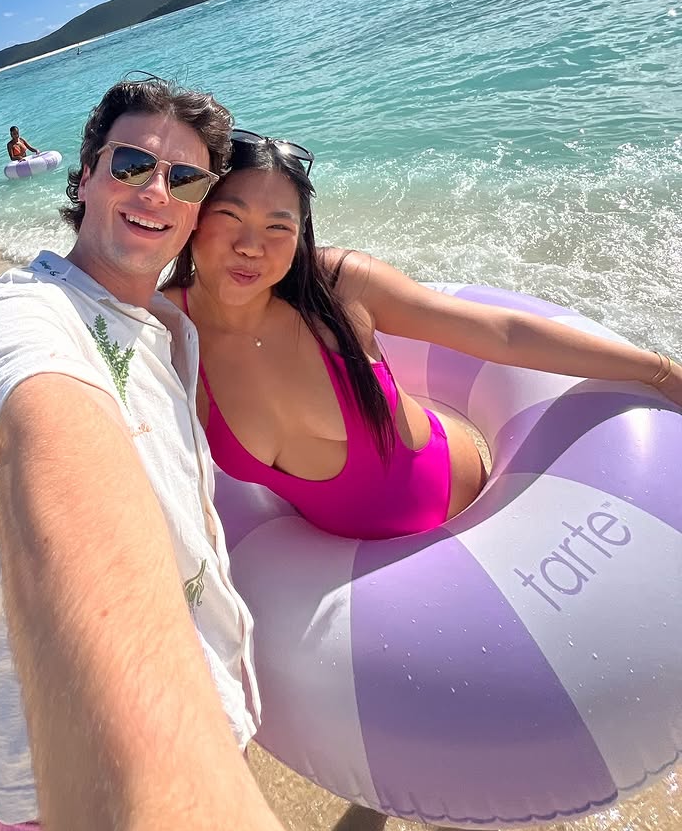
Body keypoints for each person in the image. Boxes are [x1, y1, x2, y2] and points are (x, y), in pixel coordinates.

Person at [0, 79, 289, 831]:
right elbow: (53, 438)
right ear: (86, 177)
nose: (156, 191)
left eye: (185, 179)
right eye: (131, 165)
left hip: (201, 718)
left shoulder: (165, 325)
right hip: (65, 797)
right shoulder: (24, 316)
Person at [163, 131, 682, 542]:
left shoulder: (339, 287)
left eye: (279, 227)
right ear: (194, 216)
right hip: (342, 570)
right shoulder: (160, 328)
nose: (251, 246)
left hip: (469, 502)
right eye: (229, 215)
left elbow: (503, 334)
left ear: (300, 237)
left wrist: (658, 369)